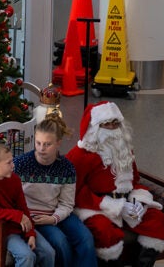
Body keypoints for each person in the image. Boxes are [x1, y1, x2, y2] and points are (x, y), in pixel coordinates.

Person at [66, 102, 164, 266]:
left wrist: (138, 202)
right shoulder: (80, 155)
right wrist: (115, 206)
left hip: (127, 202)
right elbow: (73, 191)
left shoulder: (125, 149)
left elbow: (134, 181)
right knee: (103, 230)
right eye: (107, 124)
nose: (112, 128)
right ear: (95, 127)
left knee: (156, 219)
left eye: (116, 123)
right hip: (96, 206)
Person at [15, 112, 97, 267]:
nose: (41, 149)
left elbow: (66, 204)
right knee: (60, 242)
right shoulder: (20, 164)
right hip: (34, 216)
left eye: (47, 144)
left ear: (58, 143)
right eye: (38, 143)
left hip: (57, 214)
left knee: (86, 238)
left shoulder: (66, 168)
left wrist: (54, 219)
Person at [0, 142, 57, 267]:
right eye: (9, 163)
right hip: (3, 230)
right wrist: (18, 216)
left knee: (49, 252)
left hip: (21, 225)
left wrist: (30, 234)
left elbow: (23, 207)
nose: (13, 165)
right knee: (27, 256)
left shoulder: (15, 180)